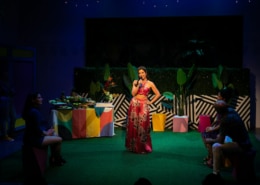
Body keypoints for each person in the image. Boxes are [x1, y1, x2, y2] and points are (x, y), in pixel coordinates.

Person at [204, 99, 253, 182]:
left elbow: (219, 140)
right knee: (222, 140)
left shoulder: (226, 120)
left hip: (241, 145)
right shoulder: (231, 111)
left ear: (218, 111)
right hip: (244, 141)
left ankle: (216, 173)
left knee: (216, 146)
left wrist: (210, 140)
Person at [22, 92, 66, 166]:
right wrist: (47, 133)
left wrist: (47, 131)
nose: (41, 99)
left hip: (30, 137)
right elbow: (37, 130)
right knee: (59, 139)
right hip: (34, 139)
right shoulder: (34, 112)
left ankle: (54, 158)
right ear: (33, 100)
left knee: (55, 134)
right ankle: (56, 159)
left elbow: (36, 127)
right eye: (39, 98)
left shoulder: (32, 110)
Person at [125, 66, 161, 154]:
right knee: (134, 125)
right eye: (139, 73)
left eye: (142, 72)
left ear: (146, 73)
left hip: (144, 104)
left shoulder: (150, 83)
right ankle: (133, 147)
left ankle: (142, 147)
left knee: (143, 125)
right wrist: (137, 85)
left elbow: (158, 94)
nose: (141, 74)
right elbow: (133, 93)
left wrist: (151, 102)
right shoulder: (136, 82)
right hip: (134, 103)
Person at [201, 87, 233, 167]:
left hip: (223, 132)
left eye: (219, 96)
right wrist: (211, 126)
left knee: (208, 139)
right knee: (204, 133)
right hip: (218, 129)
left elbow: (222, 124)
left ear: (224, 98)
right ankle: (210, 155)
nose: (217, 97)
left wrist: (212, 128)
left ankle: (213, 160)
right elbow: (218, 120)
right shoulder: (221, 106)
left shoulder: (225, 108)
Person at [0, 70, 16, 141]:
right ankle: (5, 135)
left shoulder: (9, 81)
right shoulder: (1, 82)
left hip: (10, 101)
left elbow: (12, 91)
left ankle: (11, 133)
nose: (6, 74)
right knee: (4, 119)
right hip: (3, 101)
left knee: (13, 117)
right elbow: (5, 91)